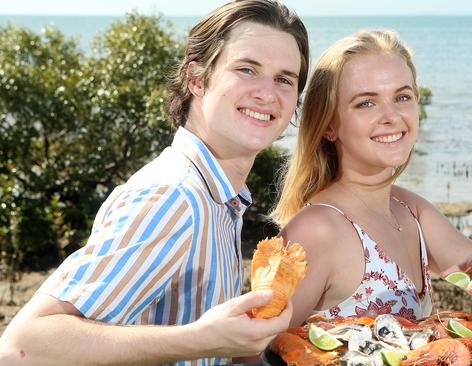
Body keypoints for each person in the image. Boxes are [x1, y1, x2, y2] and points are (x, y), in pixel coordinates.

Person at [0, 1, 309, 365]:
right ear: (196, 79)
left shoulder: (222, 197)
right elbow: (23, 347)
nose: (267, 93)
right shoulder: (174, 197)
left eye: (284, 79)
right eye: (246, 69)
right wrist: (200, 339)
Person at [271, 30, 472, 326]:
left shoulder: (410, 210)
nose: (391, 116)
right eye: (366, 103)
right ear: (329, 125)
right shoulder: (315, 230)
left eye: (402, 97)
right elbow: (256, 351)